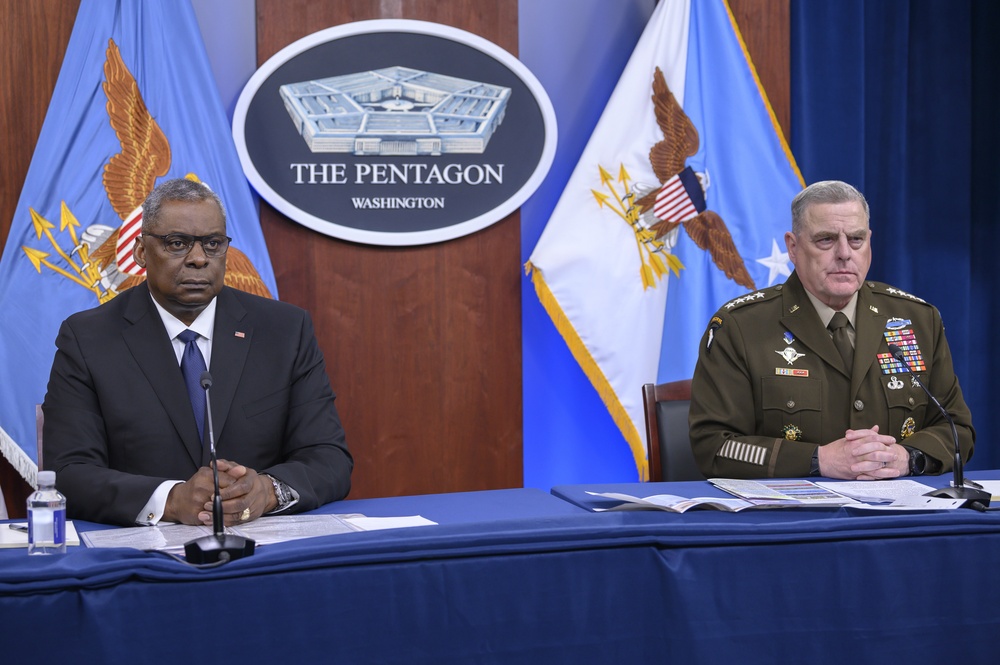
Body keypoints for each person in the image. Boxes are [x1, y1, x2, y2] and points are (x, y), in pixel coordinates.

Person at [43, 178, 353, 526]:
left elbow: (329, 458)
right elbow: (68, 473)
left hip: (260, 550)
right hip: (143, 560)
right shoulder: (88, 338)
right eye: (177, 244)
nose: (198, 259)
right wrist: (171, 500)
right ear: (141, 251)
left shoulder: (283, 331)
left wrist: (267, 491)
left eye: (212, 244)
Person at [689, 180, 973, 480]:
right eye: (825, 239)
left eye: (856, 239)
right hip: (791, 518)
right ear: (793, 247)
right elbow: (714, 446)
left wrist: (908, 457)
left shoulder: (917, 320)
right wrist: (818, 460)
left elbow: (958, 429)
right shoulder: (741, 327)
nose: (844, 253)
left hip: (898, 513)